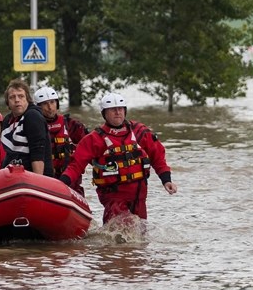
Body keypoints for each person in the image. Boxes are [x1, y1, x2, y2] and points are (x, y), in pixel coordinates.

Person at [60, 92, 177, 229]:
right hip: (113, 196)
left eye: (120, 109)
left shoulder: (139, 132)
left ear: (125, 111)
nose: (117, 112)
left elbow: (157, 156)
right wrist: (62, 183)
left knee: (140, 237)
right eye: (113, 109)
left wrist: (166, 180)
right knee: (120, 231)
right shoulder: (94, 139)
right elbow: (76, 165)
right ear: (104, 113)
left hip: (139, 196)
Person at [33, 86, 88, 194]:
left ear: (57, 104)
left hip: (70, 178)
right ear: (38, 107)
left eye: (52, 102)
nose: (50, 107)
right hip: (46, 177)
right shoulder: (34, 126)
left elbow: (90, 145)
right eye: (45, 104)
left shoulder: (70, 124)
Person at [0, 78, 51, 175]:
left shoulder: (32, 116)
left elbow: (38, 153)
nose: (17, 100)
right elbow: (7, 154)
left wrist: (37, 182)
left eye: (21, 96)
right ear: (8, 102)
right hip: (12, 174)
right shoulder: (7, 120)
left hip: (33, 176)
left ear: (27, 99)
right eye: (12, 97)